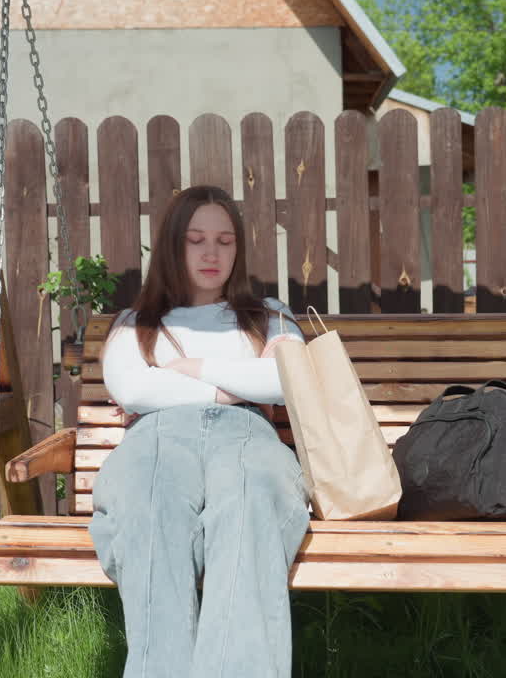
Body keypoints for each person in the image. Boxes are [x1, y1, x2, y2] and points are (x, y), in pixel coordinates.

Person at [90, 185, 308, 678]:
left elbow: (284, 380)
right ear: (173, 245)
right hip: (157, 440)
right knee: (151, 508)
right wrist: (231, 386)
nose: (212, 253)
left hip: (247, 439)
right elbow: (133, 390)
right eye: (196, 239)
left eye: (225, 240)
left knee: (250, 503)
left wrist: (191, 366)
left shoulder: (270, 315)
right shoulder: (136, 323)